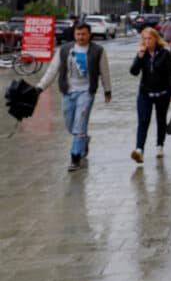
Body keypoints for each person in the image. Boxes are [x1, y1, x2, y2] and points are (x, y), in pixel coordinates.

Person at [36, 22, 113, 171]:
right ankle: (84, 139)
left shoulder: (98, 50)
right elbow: (52, 70)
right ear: (74, 34)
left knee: (79, 124)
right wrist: (40, 87)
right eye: (78, 34)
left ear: (89, 34)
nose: (81, 37)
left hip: (86, 92)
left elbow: (105, 71)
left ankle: (75, 157)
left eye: (84, 34)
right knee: (70, 125)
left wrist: (107, 90)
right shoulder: (64, 50)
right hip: (68, 92)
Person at [129, 27, 171, 164]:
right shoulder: (142, 54)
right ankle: (139, 150)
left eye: (150, 38)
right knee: (143, 121)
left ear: (156, 39)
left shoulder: (165, 54)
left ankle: (159, 145)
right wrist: (139, 57)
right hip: (145, 93)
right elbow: (133, 72)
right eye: (144, 39)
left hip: (163, 93)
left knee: (161, 120)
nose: (147, 41)